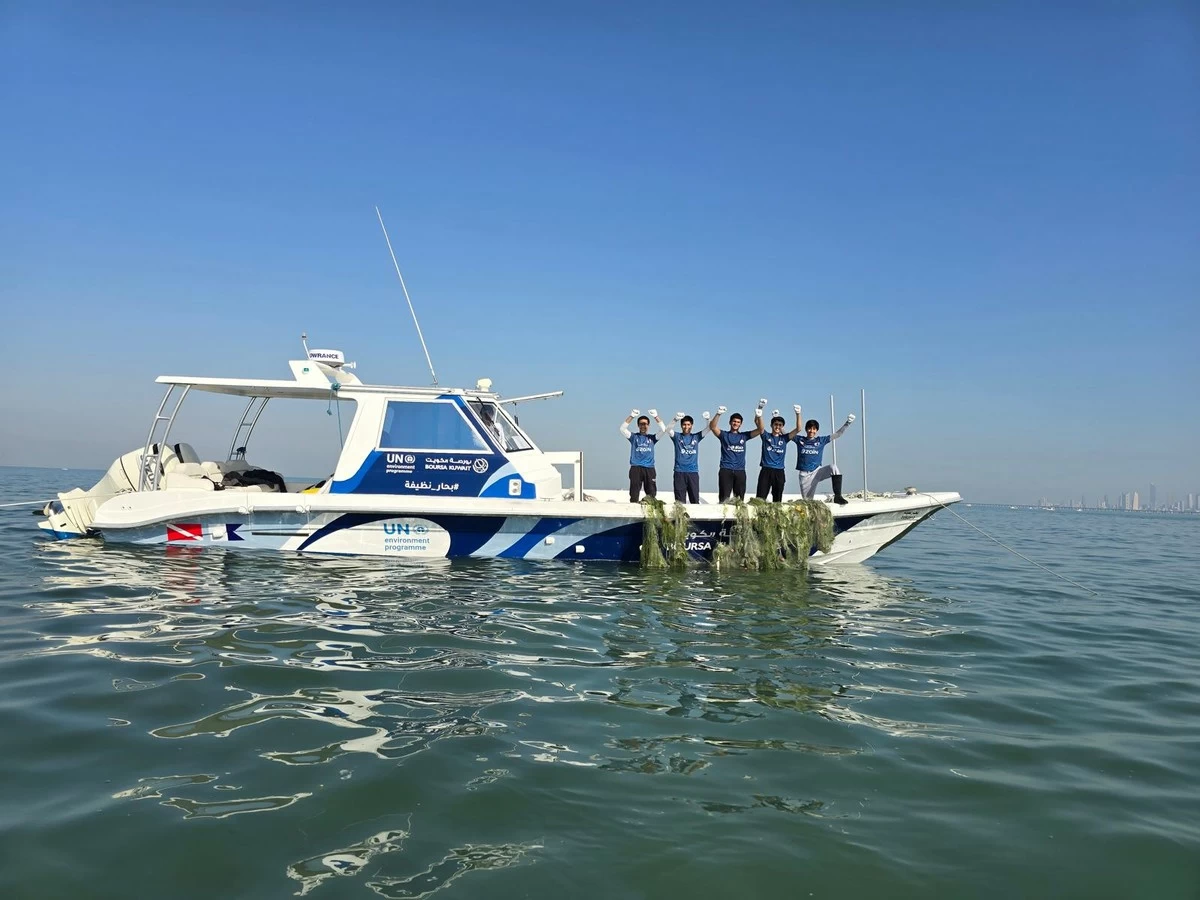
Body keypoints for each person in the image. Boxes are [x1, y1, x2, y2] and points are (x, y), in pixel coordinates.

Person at [791, 407, 856, 503]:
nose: (811, 431)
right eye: (809, 428)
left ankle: (838, 496)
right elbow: (786, 435)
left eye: (814, 429)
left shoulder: (821, 440)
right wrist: (778, 418)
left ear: (816, 430)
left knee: (833, 467)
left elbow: (837, 434)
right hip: (805, 475)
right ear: (806, 429)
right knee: (808, 501)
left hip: (817, 471)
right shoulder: (799, 439)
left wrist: (848, 423)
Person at [709, 399, 765, 502]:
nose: (736, 423)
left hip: (740, 471)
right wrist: (718, 414)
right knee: (724, 499)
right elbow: (712, 426)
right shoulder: (724, 435)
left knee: (739, 500)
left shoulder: (744, 436)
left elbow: (761, 430)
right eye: (734, 421)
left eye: (738, 422)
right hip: (726, 469)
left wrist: (759, 415)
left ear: (741, 424)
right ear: (730, 422)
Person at [755, 408, 802, 502]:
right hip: (766, 470)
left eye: (780, 425)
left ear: (782, 427)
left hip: (779, 472)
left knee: (777, 499)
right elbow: (758, 424)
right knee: (760, 499)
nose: (777, 427)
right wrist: (759, 414)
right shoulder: (766, 436)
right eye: (775, 424)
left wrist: (798, 413)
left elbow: (798, 429)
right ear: (771, 425)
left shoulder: (785, 438)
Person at [620, 408, 666, 502]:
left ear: (648, 425)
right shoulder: (633, 437)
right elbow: (622, 429)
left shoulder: (652, 438)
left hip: (649, 468)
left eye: (645, 424)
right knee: (634, 494)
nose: (643, 426)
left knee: (651, 494)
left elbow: (663, 429)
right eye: (641, 424)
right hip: (636, 468)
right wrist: (632, 416)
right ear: (638, 425)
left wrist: (656, 417)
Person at [666, 412, 705, 503]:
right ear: (681, 425)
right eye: (684, 424)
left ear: (692, 425)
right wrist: (675, 419)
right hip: (679, 472)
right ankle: (680, 517)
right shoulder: (677, 437)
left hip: (693, 473)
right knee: (680, 502)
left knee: (695, 500)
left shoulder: (696, 437)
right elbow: (667, 429)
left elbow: (709, 429)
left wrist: (707, 420)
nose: (686, 426)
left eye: (688, 424)